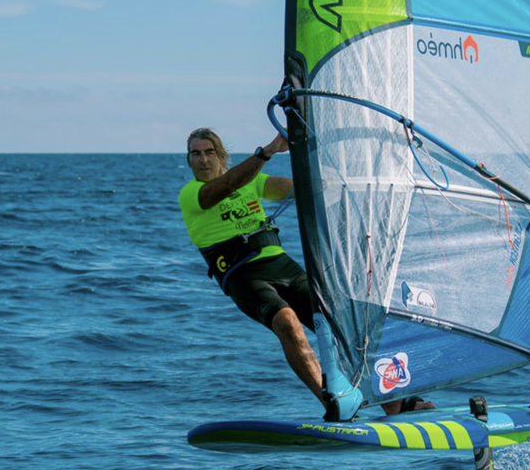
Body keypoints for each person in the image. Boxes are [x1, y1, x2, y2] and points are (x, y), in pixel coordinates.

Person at [179, 127, 433, 419]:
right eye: (195, 154)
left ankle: (395, 401)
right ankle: (333, 404)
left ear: (221, 156)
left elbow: (304, 190)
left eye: (209, 152)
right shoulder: (192, 194)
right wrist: (268, 151)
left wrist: (332, 171)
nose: (202, 159)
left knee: (343, 324)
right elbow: (224, 188)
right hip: (243, 276)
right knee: (287, 322)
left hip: (282, 265)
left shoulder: (253, 182)